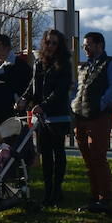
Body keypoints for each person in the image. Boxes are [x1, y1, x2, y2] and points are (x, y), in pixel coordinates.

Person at [71, 32, 112, 214]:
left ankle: (105, 196)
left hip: (98, 116)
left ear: (99, 45)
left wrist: (100, 105)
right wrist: (74, 105)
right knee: (88, 158)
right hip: (81, 116)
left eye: (88, 45)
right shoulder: (84, 67)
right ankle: (94, 195)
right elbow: (78, 89)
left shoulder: (111, 63)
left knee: (98, 156)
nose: (85, 49)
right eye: (84, 45)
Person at [25, 29, 74, 208]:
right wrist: (25, 99)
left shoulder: (64, 64)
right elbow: (33, 85)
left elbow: (60, 91)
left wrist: (43, 105)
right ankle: (48, 192)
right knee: (45, 154)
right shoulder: (39, 62)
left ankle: (57, 191)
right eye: (48, 42)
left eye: (54, 43)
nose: (51, 46)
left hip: (58, 114)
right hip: (42, 115)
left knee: (58, 153)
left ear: (59, 45)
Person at [0, 34, 31, 129]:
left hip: (13, 111)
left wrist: (20, 100)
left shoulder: (19, 65)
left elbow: (28, 85)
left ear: (7, 48)